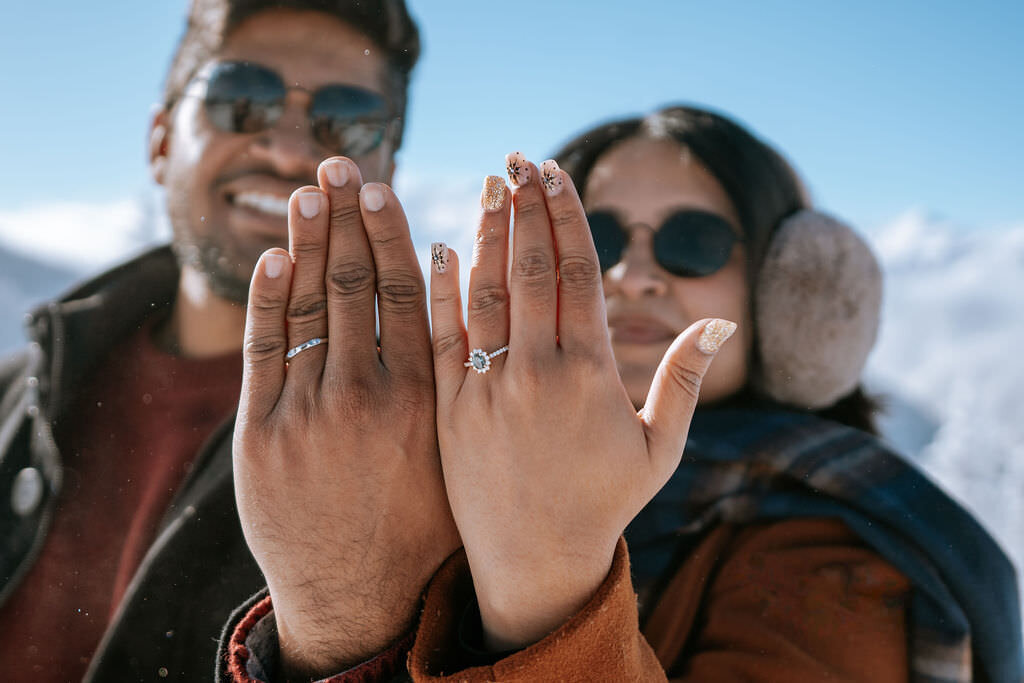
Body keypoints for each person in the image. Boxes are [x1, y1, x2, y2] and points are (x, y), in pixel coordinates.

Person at [224, 106, 1023, 682]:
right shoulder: (436, 482)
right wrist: (337, 616)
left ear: (789, 296)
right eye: (597, 236)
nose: (633, 274)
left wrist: (547, 579)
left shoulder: (834, 554)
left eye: (693, 242)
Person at [0, 1, 420, 680]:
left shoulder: (430, 443)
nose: (287, 149)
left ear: (386, 173)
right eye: (240, 100)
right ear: (160, 140)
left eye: (345, 121)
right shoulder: (13, 393)